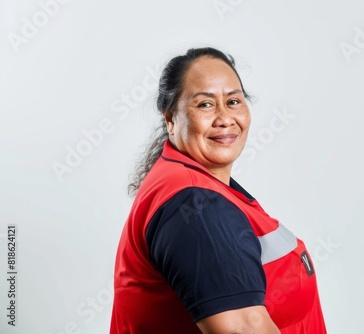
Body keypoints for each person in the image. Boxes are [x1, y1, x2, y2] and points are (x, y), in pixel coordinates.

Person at [110, 47, 327, 333]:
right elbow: (243, 329)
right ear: (170, 119)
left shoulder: (195, 185)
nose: (225, 118)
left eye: (234, 101)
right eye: (205, 105)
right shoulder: (196, 205)